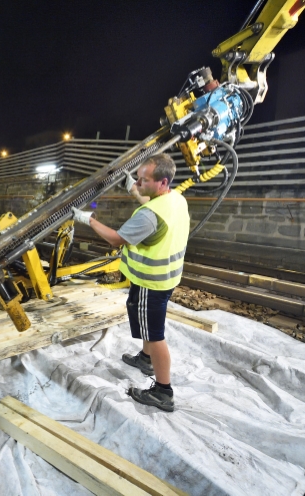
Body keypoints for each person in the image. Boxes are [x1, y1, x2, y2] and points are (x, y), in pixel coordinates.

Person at [72, 153, 189, 412]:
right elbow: (152, 206)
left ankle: (163, 391)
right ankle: (146, 360)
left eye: (143, 181)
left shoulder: (149, 215)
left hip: (152, 283)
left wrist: (87, 220)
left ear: (162, 182)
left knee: (155, 335)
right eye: (137, 179)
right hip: (165, 277)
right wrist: (135, 192)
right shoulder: (175, 199)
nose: (137, 184)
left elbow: (116, 239)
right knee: (147, 326)